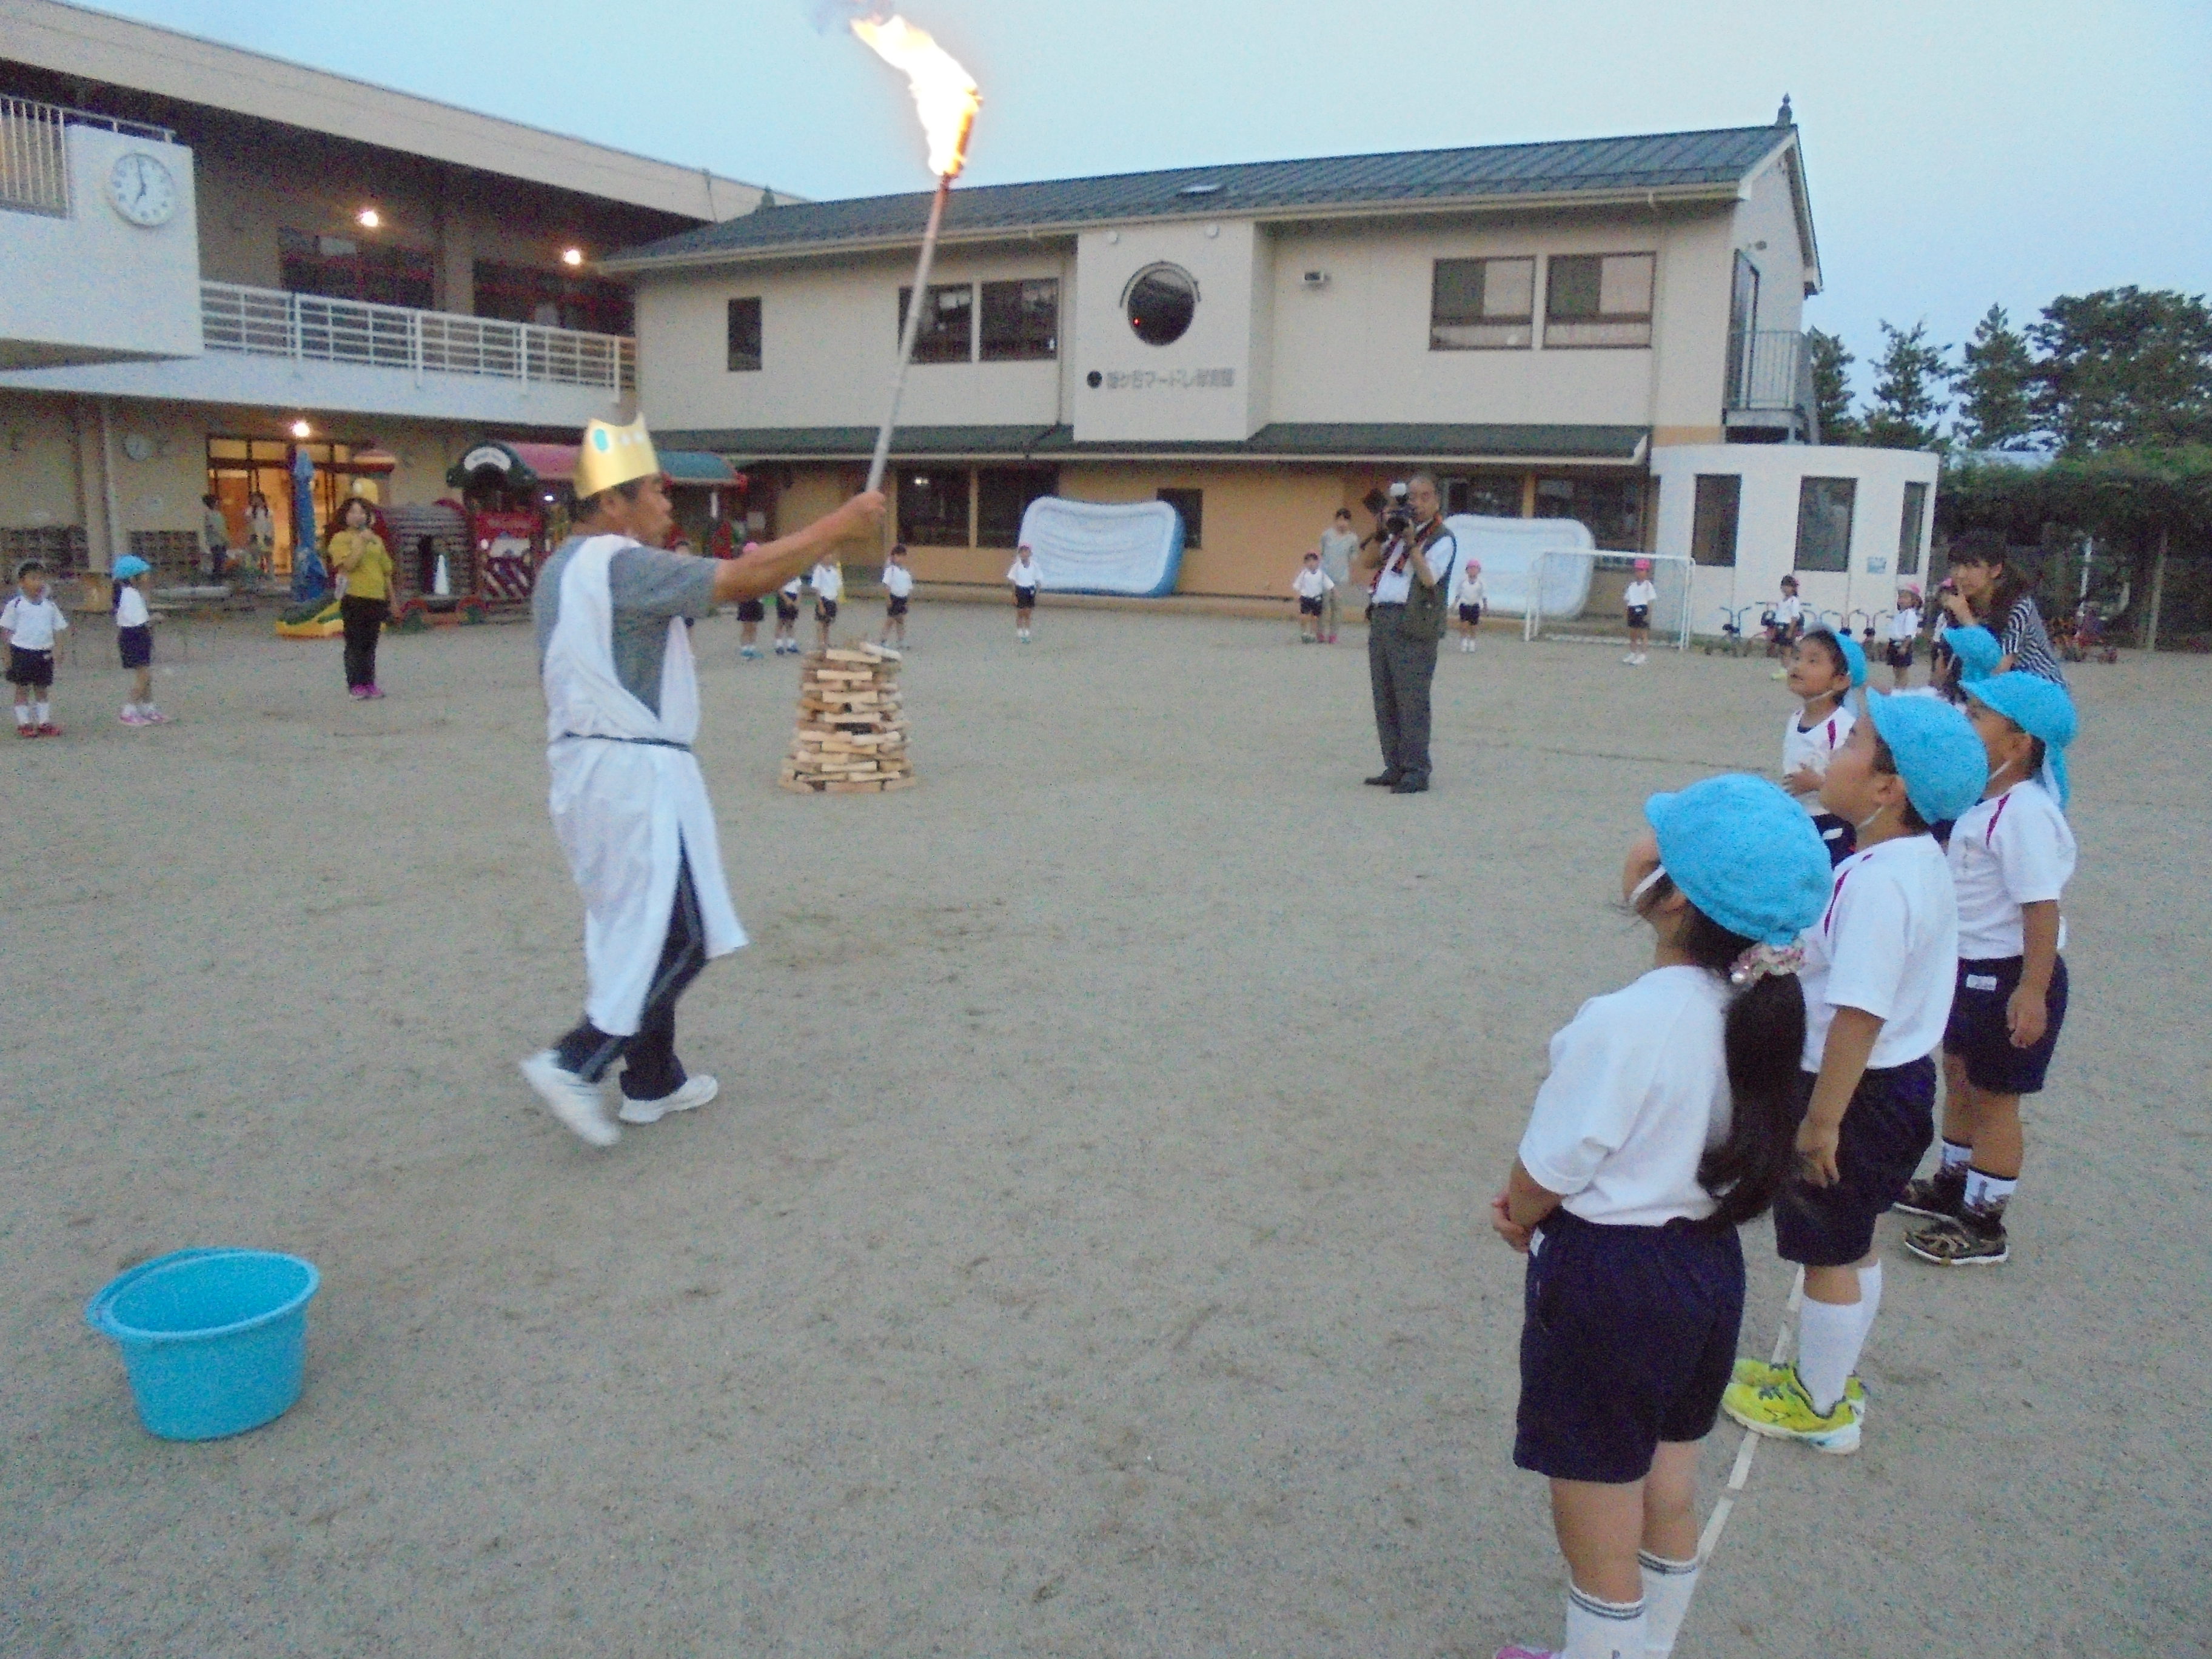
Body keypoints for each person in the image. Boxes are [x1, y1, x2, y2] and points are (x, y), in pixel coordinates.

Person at [1490, 774, 1831, 1659]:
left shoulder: (1624, 1022)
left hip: (1610, 1282)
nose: (1640, 839)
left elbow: (1551, 1165)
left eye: (1659, 838)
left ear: (1675, 897)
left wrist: (1519, 1213)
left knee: (1596, 1513)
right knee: (1668, 1486)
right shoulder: (1759, 1014)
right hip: (1705, 1270)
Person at [518, 415, 884, 1147]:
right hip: (631, 771)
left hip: (590, 771)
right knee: (682, 932)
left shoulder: (564, 569)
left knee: (636, 922)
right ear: (613, 502)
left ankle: (653, 1080)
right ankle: (576, 1059)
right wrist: (839, 525)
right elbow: (741, 578)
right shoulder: (619, 564)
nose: (667, 503)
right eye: (654, 490)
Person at [1721, 694, 1987, 1453]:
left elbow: (1859, 1015)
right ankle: (1824, 1375)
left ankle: (1822, 1406)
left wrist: (1821, 1122)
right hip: (1889, 1087)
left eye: (1854, 744)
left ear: (1887, 788)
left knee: (1827, 1251)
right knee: (1852, 1238)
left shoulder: (1878, 883)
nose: (1833, 753)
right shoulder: (1907, 862)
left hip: (1854, 1094)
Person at [1897, 674, 2077, 1268]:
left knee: (1997, 1098)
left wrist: (2032, 988)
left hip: (2009, 974)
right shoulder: (1983, 801)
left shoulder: (2024, 813)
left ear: (2019, 745)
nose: (1965, 724)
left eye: (1978, 717)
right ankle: (1953, 1181)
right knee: (1960, 1075)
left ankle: (1984, 1220)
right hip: (1967, 968)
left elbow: (2040, 906)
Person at [1356, 474, 1457, 795]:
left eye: (1425, 497)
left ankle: (1416, 770)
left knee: (1411, 698)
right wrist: (1382, 528)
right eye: (1412, 497)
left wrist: (1412, 542)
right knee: (1385, 697)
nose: (1417, 503)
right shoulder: (1397, 533)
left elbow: (1428, 578)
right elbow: (1367, 561)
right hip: (1382, 618)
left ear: (1437, 501)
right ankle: (1395, 765)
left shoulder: (1442, 538)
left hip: (1414, 622)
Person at [1937, 529, 2065, 685]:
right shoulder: (1960, 604)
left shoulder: (2019, 606)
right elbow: (1942, 670)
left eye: (1972, 566)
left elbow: (2000, 668)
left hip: (2037, 688)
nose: (1960, 574)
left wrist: (1967, 619)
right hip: (1988, 690)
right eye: (1956, 566)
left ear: (1995, 570)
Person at [1781, 628, 1865, 867]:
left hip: (1831, 825)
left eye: (1813, 661)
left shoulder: (1843, 727)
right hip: (1799, 818)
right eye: (1797, 657)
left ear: (1840, 681)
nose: (1798, 666)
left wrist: (1817, 784)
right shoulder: (1797, 717)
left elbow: (1855, 786)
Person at [326, 497, 394, 699]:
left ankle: (369, 683)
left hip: (376, 596)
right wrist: (361, 542)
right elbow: (348, 565)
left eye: (362, 512)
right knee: (355, 642)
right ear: (345, 516)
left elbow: (386, 570)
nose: (358, 516)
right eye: (353, 512)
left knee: (370, 643)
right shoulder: (340, 539)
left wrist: (392, 600)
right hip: (354, 596)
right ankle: (355, 684)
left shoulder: (376, 540)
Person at [3, 558, 69, 737]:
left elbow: (59, 627)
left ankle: (44, 722)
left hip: (44, 651)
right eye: (33, 578)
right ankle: (24, 723)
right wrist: (7, 656)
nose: (38, 583)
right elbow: (6, 631)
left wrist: (58, 648)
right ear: (22, 582)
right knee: (22, 688)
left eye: (41, 579)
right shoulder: (16, 605)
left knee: (42, 687)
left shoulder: (50, 606)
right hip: (22, 651)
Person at [110, 554, 169, 726]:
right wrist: (155, 618)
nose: (148, 577)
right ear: (132, 578)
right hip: (134, 636)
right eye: (144, 574)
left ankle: (149, 709)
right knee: (144, 676)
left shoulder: (129, 593)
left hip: (135, 636)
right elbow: (139, 621)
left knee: (146, 676)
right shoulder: (130, 595)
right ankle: (129, 711)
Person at [1318, 508, 1359, 644]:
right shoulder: (1327, 535)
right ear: (1335, 521)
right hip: (1325, 576)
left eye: (1345, 520)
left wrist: (1353, 574)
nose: (1342, 523)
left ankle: (1333, 635)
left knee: (1337, 607)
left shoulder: (1353, 539)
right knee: (1323, 606)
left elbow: (1354, 557)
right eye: (1340, 520)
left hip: (1341, 578)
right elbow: (1321, 553)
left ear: (1349, 522)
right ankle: (1321, 633)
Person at [1760, 575, 1805, 671]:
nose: (1785, 588)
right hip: (1779, 626)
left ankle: (1786, 670)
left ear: (1793, 588)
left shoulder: (1794, 601)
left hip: (1788, 627)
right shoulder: (1782, 601)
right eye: (1784, 586)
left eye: (1788, 586)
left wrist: (1790, 631)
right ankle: (1783, 669)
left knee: (1787, 650)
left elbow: (1795, 617)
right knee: (1780, 649)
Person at [1290, 551, 1333, 644]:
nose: (1311, 564)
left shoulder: (1321, 574)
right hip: (1306, 597)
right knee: (1304, 616)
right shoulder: (1304, 574)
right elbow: (1297, 584)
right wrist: (1297, 595)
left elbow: (1329, 584)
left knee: (1315, 617)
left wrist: (1335, 592)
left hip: (1317, 598)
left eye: (1313, 561)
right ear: (1305, 564)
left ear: (1318, 562)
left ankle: (1313, 633)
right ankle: (1304, 632)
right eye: (1308, 562)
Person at [1885, 585, 1923, 690]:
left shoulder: (1910, 614)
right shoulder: (1901, 614)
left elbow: (1909, 633)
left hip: (1903, 644)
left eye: (1905, 598)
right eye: (1900, 597)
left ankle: (1901, 689)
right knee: (1896, 669)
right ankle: (1897, 687)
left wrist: (1905, 647)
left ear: (1914, 600)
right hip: (1895, 643)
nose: (1901, 600)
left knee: (1902, 670)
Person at [1622, 558, 1658, 666]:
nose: (1639, 573)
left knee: (1643, 634)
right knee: (1633, 634)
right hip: (1632, 609)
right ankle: (1633, 653)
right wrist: (1627, 612)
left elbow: (1651, 601)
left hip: (1642, 609)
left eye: (1642, 570)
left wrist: (1648, 615)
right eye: (1637, 570)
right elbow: (1628, 600)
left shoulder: (1648, 586)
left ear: (1647, 572)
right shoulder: (1632, 586)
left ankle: (1643, 655)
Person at [880, 543, 914, 649]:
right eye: (898, 556)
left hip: (903, 598)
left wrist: (908, 601)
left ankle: (901, 640)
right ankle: (883, 640)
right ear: (893, 557)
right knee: (890, 620)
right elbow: (886, 585)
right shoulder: (891, 570)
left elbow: (909, 588)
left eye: (903, 556)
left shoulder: (906, 572)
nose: (900, 558)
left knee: (900, 620)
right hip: (894, 597)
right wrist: (888, 599)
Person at [1451, 555, 1487, 654]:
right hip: (1464, 605)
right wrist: (1454, 604)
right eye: (1470, 568)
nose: (1473, 571)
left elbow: (1484, 596)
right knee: (1464, 625)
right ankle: (1464, 642)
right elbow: (1458, 594)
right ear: (1467, 571)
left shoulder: (1481, 583)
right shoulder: (1463, 582)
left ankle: (1472, 642)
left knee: (1474, 626)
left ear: (1479, 571)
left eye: (1475, 569)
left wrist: (1485, 607)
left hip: (1475, 606)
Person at [808, 555, 843, 652]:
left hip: (832, 599)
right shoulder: (818, 570)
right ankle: (821, 642)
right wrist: (820, 604)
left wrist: (837, 603)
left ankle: (827, 641)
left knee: (828, 622)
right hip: (823, 599)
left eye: (830, 558)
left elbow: (837, 587)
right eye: (826, 557)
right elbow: (817, 588)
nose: (828, 559)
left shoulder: (834, 571)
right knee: (821, 622)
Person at [1008, 545, 1041, 643]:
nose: (1024, 554)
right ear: (1019, 554)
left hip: (1030, 590)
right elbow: (1012, 580)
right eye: (1022, 552)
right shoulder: (1016, 566)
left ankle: (1027, 632)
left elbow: (1038, 581)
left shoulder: (1035, 566)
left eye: (1026, 552)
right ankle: (1019, 631)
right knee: (1020, 612)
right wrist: (1014, 595)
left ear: (1030, 554)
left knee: (1028, 613)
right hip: (1020, 589)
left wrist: (1037, 594)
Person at [199, 494, 230, 583]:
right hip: (216, 541)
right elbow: (214, 528)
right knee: (218, 561)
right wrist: (224, 538)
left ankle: (219, 579)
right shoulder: (209, 515)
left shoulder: (218, 514)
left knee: (221, 560)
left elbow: (223, 528)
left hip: (221, 541)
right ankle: (216, 580)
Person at [247, 492, 276, 579]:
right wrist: (249, 537)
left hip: (267, 536)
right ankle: (254, 577)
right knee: (255, 558)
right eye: (254, 499)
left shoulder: (268, 511)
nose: (255, 501)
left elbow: (271, 525)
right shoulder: (250, 512)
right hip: (255, 536)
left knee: (269, 557)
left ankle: (271, 576)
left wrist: (272, 537)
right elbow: (249, 525)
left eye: (257, 499)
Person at [773, 577, 803, 655]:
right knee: (781, 622)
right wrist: (786, 599)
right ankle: (779, 645)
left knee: (791, 623)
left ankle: (791, 644)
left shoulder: (796, 576)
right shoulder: (783, 574)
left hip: (794, 596)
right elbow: (778, 588)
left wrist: (798, 600)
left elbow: (799, 589)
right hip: (784, 596)